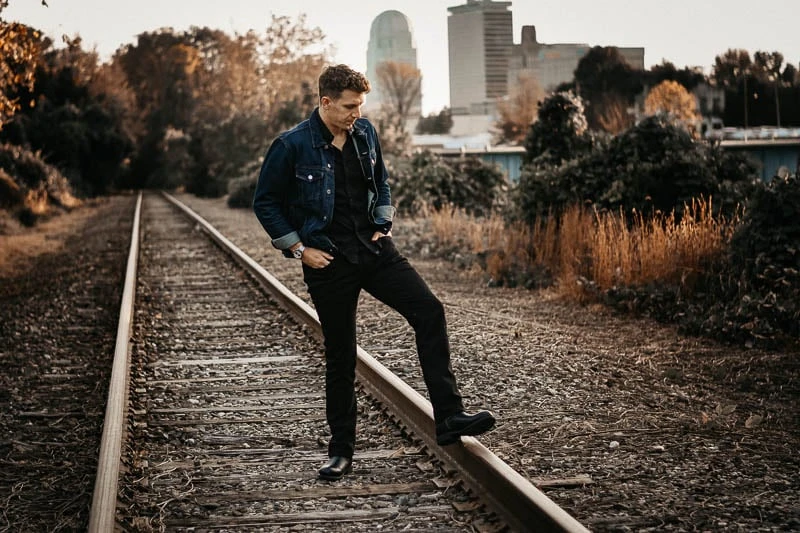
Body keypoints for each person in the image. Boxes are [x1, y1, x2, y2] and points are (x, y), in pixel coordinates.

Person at [253, 64, 495, 481]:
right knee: (341, 353)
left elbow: (380, 181)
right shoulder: (291, 145)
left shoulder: (364, 133)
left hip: (375, 250)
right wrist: (299, 249)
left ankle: (450, 417)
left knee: (429, 311)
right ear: (325, 102)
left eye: (361, 105)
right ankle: (341, 450)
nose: (356, 115)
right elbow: (266, 202)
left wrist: (384, 222)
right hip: (328, 260)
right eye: (349, 106)